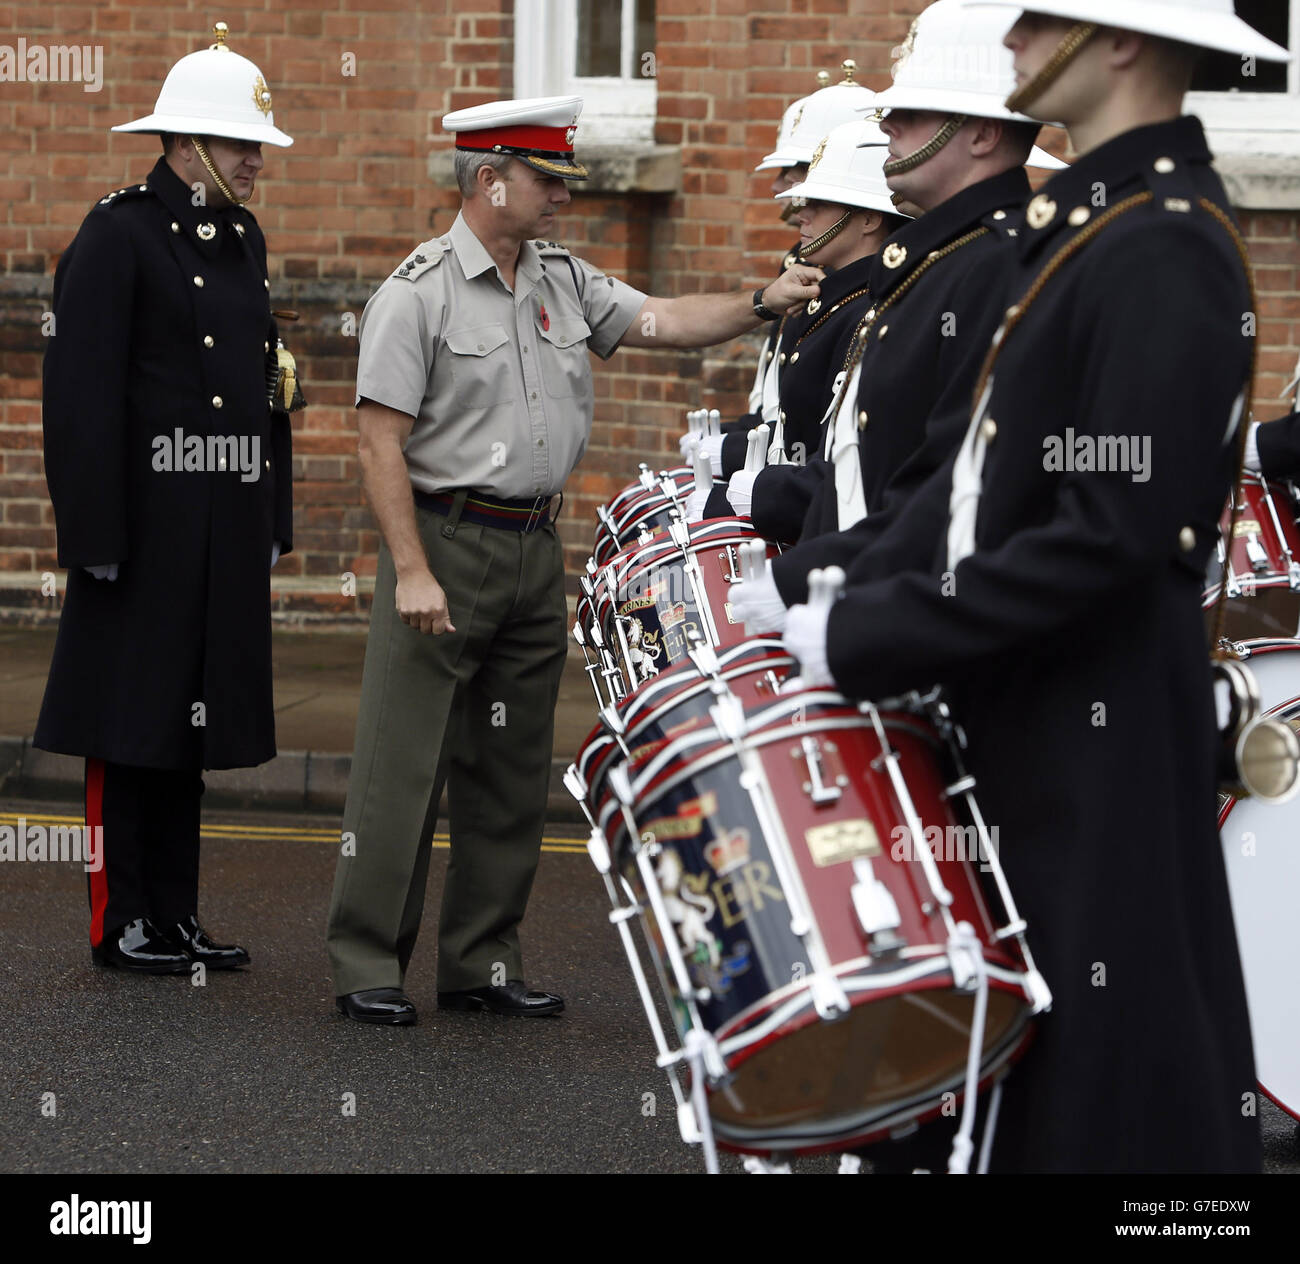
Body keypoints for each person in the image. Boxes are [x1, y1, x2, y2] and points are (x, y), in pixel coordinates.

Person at [779, 0, 1287, 1172]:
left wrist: (868, 632)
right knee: (1009, 1085)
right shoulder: (1081, 229)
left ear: (1116, 42)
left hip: (1091, 743)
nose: (1006, 45)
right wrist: (823, 576)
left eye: (1033, 22)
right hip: (1024, 722)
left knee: (1102, 1104)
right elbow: (962, 480)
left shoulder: (1161, 238)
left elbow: (1111, 535)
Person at [325, 95, 822, 1025]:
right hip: (442, 541)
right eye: (546, 180)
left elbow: (663, 322)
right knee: (403, 764)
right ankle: (366, 963)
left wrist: (763, 302)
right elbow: (377, 445)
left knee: (511, 766)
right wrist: (413, 570)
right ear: (489, 180)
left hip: (531, 547)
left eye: (562, 180)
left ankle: (482, 964)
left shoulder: (558, 277)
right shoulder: (415, 292)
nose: (561, 197)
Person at [35, 22, 294, 973]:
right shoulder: (116, 234)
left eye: (256, 147)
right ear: (185, 144)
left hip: (219, 524)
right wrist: (92, 531)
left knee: (190, 722)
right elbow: (80, 395)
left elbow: (271, 382)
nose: (255, 161)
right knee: (127, 722)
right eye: (241, 145)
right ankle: (121, 916)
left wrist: (271, 514)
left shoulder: (242, 239)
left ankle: (176, 914)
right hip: (140, 527)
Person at [726, 0, 1063, 584]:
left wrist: (808, 587)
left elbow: (946, 490)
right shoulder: (936, 260)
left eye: (911, 111)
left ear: (982, 133)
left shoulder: (994, 265)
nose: (887, 125)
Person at [695, 119, 907, 519]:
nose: (799, 215)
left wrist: (750, 495)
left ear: (868, 219)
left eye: (819, 204)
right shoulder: (832, 297)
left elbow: (845, 464)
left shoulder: (868, 311)